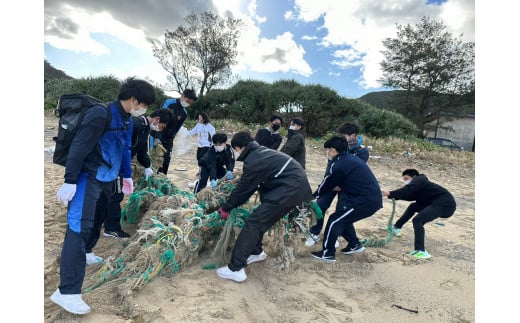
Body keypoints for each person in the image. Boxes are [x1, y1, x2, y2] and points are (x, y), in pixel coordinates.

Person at [52, 77, 156, 314]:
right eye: (144, 104)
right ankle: (67, 292)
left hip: (108, 180)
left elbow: (125, 147)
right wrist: (70, 180)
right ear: (133, 100)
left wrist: (127, 175)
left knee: (97, 221)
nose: (145, 109)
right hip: (88, 178)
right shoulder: (101, 114)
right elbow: (79, 145)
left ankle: (88, 252)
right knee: (78, 228)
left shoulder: (128, 119)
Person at [215, 130, 313, 282]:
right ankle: (256, 252)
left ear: (240, 147)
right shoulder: (262, 153)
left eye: (236, 150)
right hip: (295, 189)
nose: (236, 153)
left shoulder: (254, 161)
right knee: (260, 219)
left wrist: (226, 207)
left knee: (253, 223)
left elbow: (244, 189)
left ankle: (235, 268)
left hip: (288, 192)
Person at [102, 109, 173, 238]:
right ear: (157, 119)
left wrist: (147, 166)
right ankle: (111, 228)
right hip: (113, 165)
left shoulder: (145, 128)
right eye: (162, 126)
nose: (161, 129)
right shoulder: (135, 124)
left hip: (120, 165)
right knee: (116, 195)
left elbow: (141, 150)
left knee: (112, 194)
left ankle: (105, 221)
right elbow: (119, 145)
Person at [311, 136, 382, 263]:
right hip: (371, 199)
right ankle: (354, 244)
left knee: (334, 220)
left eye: (328, 150)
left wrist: (313, 195)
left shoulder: (338, 164)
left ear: (333, 150)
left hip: (363, 201)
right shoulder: (351, 159)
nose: (327, 153)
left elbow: (328, 183)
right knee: (344, 219)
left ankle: (327, 253)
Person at [306, 122, 370, 246]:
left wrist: (341, 186)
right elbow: (330, 167)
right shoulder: (336, 146)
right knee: (320, 206)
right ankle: (314, 232)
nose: (342, 137)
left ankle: (334, 236)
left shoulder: (362, 151)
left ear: (353, 135)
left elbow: (356, 172)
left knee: (341, 211)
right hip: (331, 182)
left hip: (347, 187)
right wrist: (329, 183)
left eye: (345, 135)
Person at [382, 169, 456, 259]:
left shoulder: (420, 179)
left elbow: (408, 189)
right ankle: (396, 228)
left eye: (406, 178)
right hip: (434, 204)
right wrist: (389, 196)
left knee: (418, 220)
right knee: (413, 206)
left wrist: (390, 193)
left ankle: (421, 251)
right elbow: (408, 196)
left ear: (413, 177)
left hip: (445, 204)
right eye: (404, 179)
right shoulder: (418, 187)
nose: (405, 181)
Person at [153, 89, 198, 175]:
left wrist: (171, 139)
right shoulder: (169, 103)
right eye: (187, 101)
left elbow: (177, 129)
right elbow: (159, 118)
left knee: (166, 161)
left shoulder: (184, 114)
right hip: (158, 134)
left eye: (190, 103)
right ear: (182, 95)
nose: (187, 103)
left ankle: (162, 181)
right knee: (155, 160)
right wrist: (157, 137)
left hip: (169, 139)